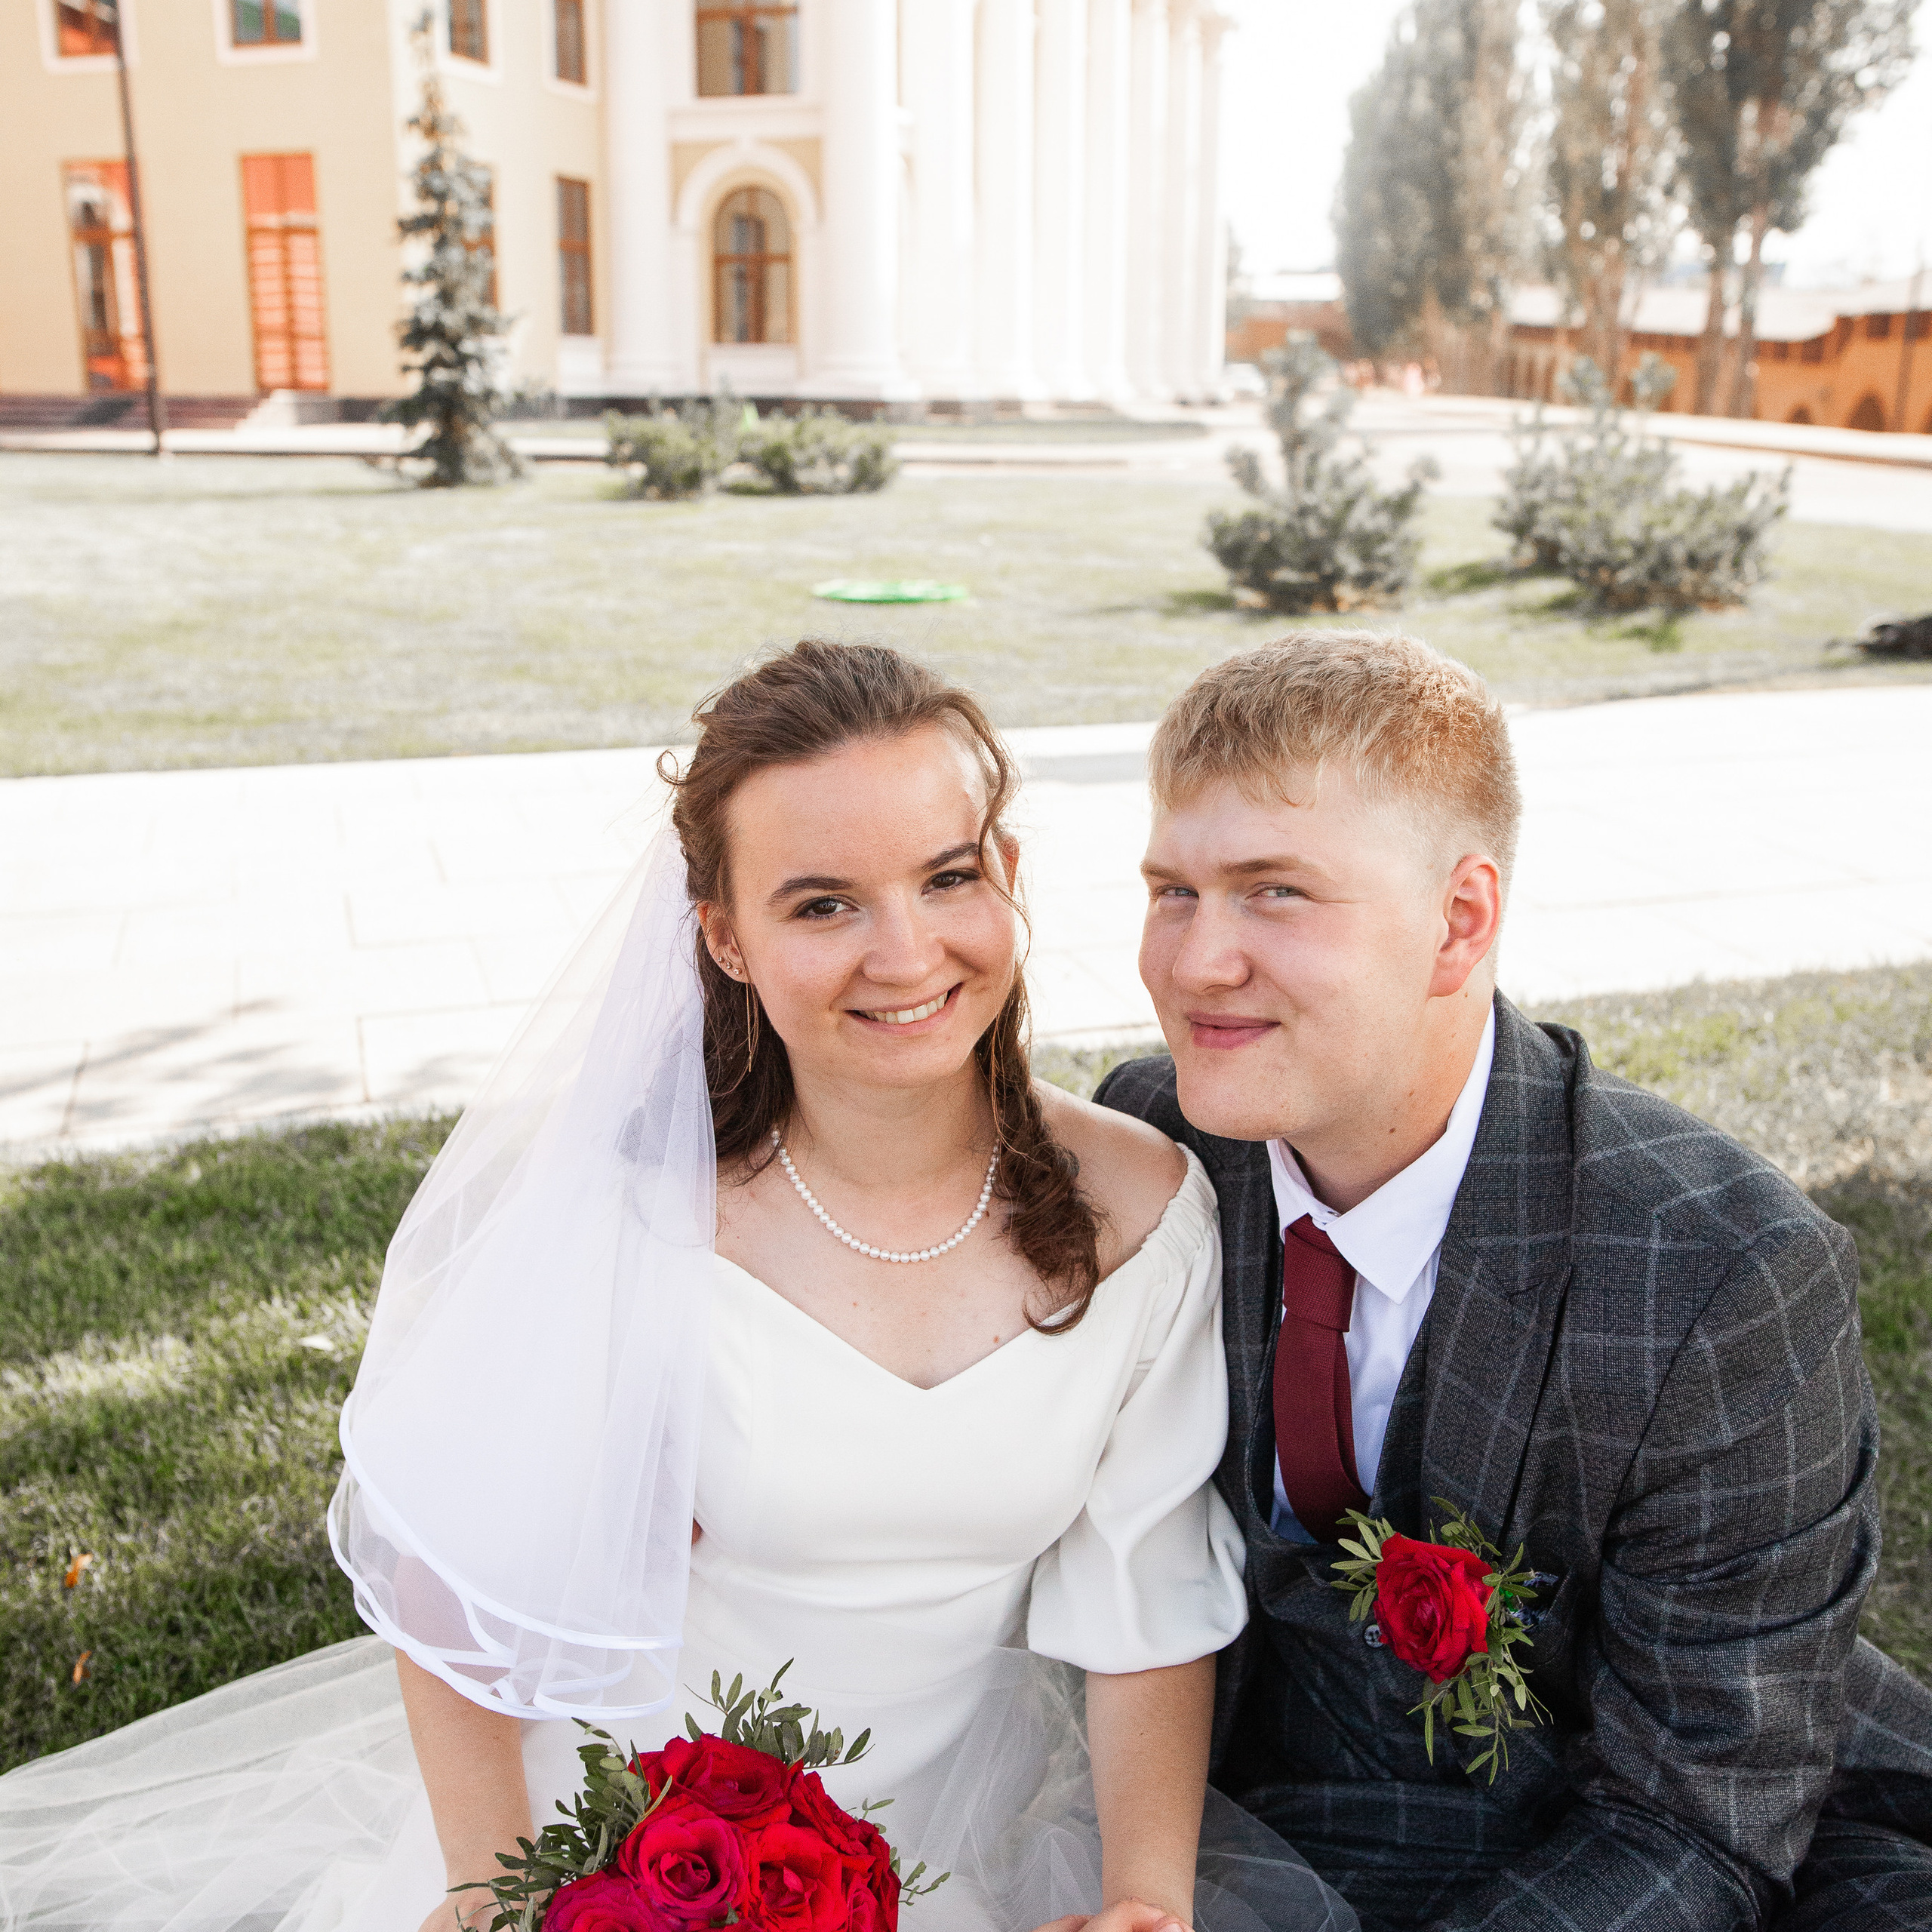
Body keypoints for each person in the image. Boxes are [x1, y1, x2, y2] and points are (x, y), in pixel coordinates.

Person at [0, 641, 1351, 1932]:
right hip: (621, 1838)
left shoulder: (1144, 1211)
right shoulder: (634, 1216)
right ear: (724, 939)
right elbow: (458, 1593)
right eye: (822, 903)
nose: (905, 952)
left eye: (946, 878)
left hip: (971, 1830)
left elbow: (1145, 1606)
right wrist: (495, 1885)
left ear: (1007, 874)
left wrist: (1146, 1894)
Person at [1095, 630, 1932, 1932]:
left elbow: (1695, 1818)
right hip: (1263, 1816)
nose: (1195, 961)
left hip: (1624, 1832)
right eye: (1173, 890)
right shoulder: (1156, 1142)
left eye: (1275, 892)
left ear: (1460, 921)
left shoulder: (1718, 1279)